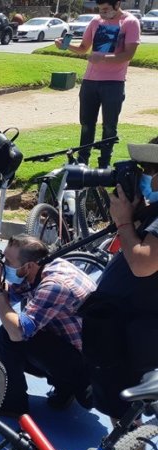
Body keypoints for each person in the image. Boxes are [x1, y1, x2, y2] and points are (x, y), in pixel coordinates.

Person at [80, 138, 158, 424]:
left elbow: (141, 264)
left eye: (148, 170)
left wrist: (124, 221)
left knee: (125, 412)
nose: (143, 176)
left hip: (131, 331)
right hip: (126, 324)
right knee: (121, 408)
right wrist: (135, 214)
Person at [0, 235, 95, 417]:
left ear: (28, 266)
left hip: (85, 364)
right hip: (70, 347)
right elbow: (14, 294)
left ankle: (14, 404)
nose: (4, 264)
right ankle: (64, 386)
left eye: (8, 262)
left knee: (6, 335)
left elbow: (18, 332)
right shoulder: (41, 268)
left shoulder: (55, 285)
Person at [58, 0, 140, 167]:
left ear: (117, 4)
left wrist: (103, 57)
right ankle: (82, 162)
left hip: (114, 83)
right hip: (90, 81)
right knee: (87, 125)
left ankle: (104, 164)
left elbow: (128, 55)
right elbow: (83, 48)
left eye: (106, 9)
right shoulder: (96, 21)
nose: (102, 12)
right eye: (100, 9)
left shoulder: (130, 22)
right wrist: (65, 46)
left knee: (109, 126)